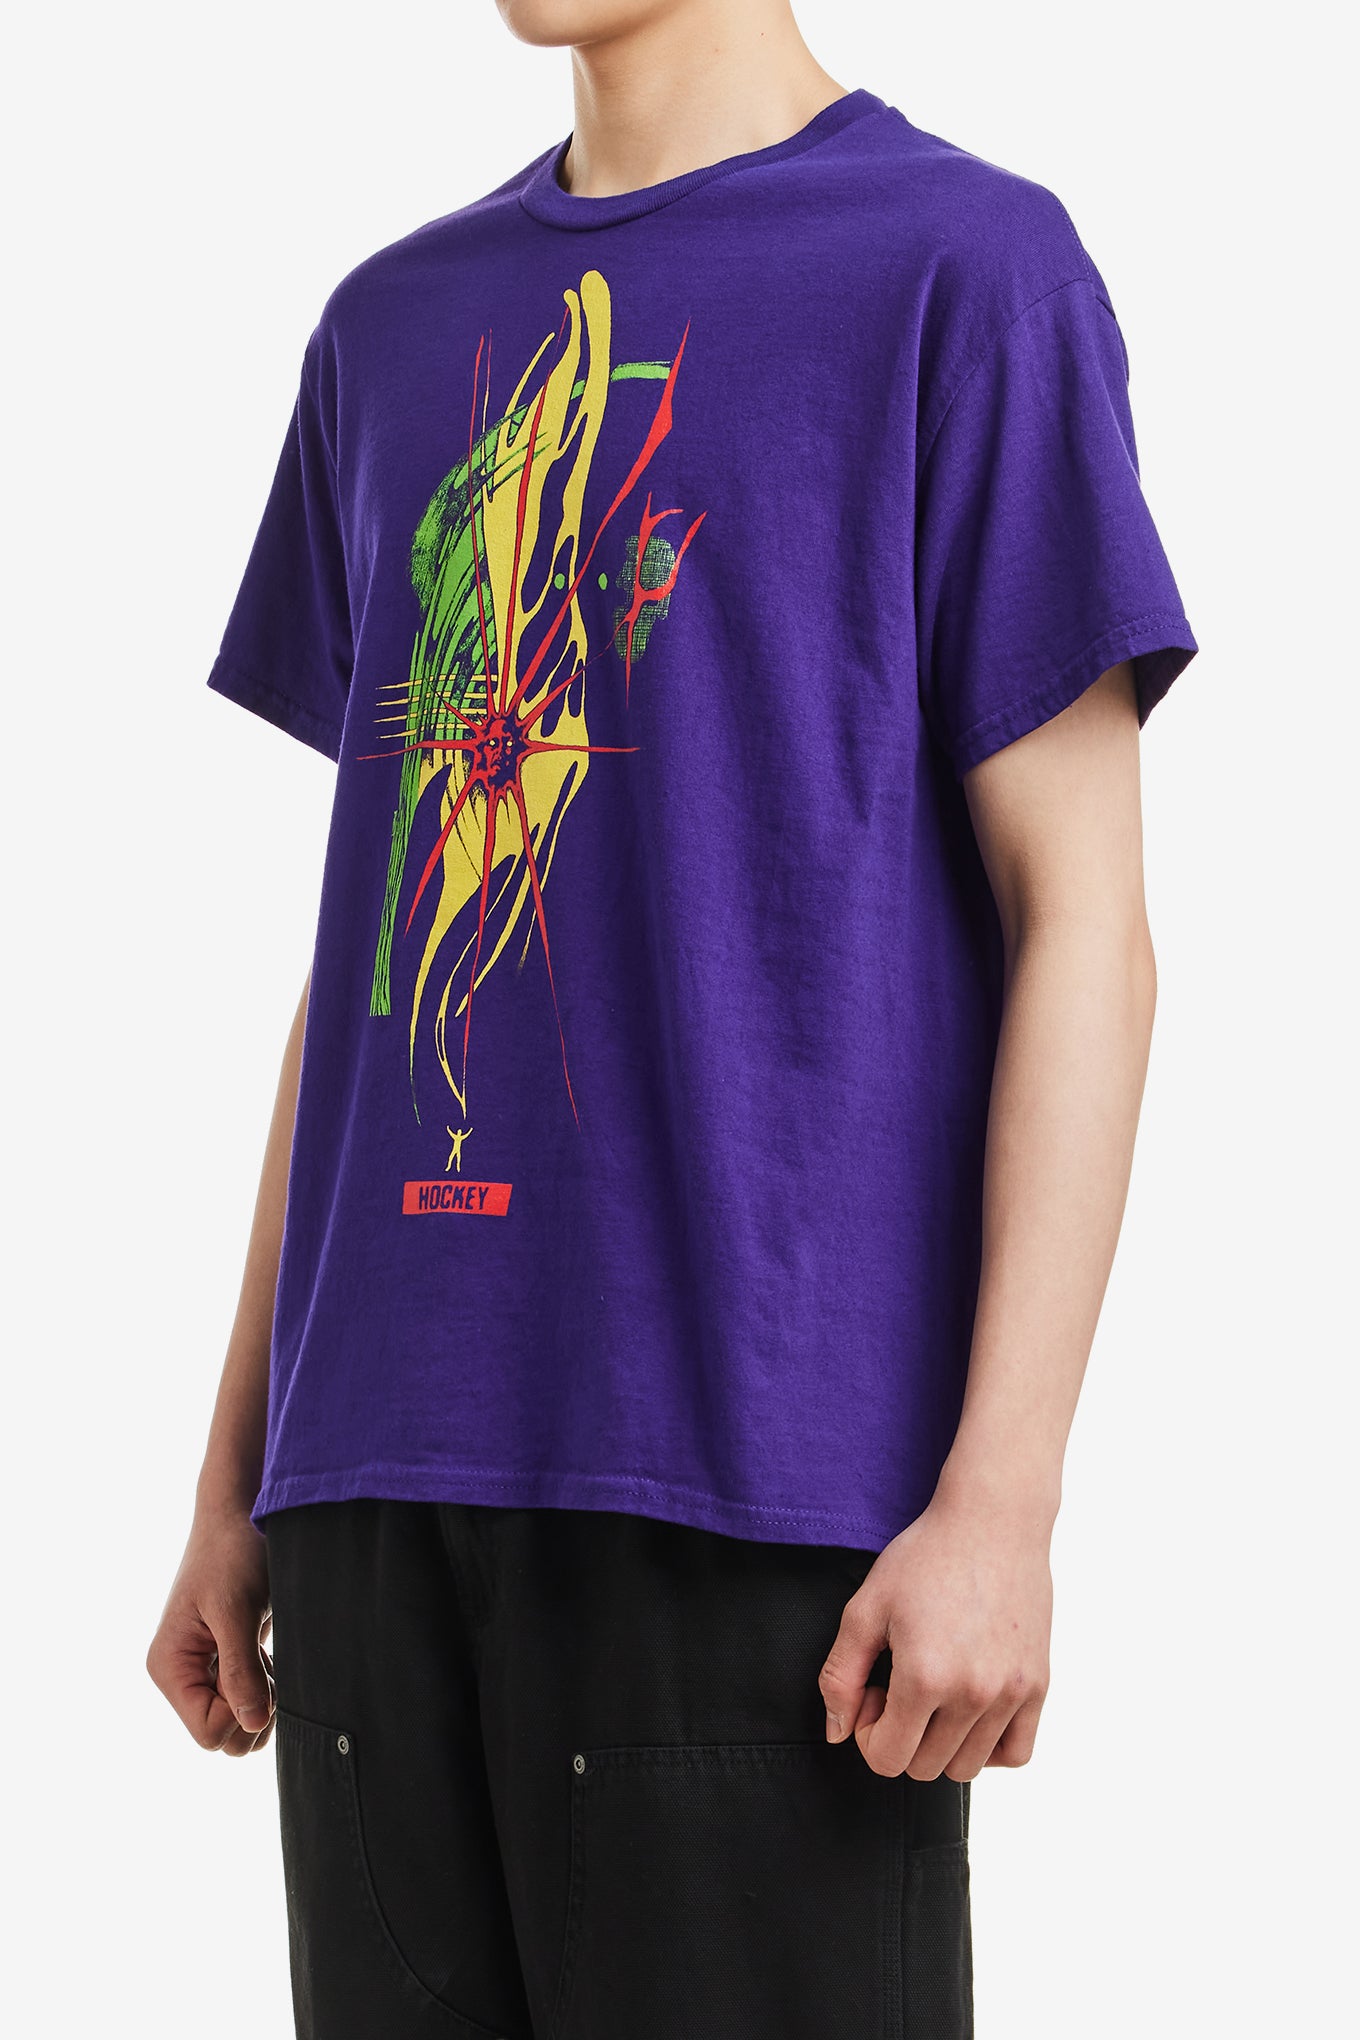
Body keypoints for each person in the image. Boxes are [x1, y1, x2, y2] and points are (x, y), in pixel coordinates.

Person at [146, 2, 1198, 2033]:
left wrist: (1003, 1500)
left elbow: (1085, 923)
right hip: (372, 1496)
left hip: (754, 1492)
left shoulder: (963, 272)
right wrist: (235, 1468)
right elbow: (368, 945)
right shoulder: (389, 327)